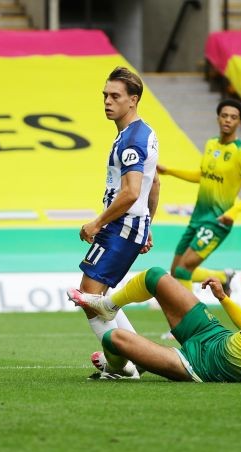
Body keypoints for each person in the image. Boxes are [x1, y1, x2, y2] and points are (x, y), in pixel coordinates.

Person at [68, 267, 241, 386]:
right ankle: (108, 305)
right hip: (212, 334)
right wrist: (223, 298)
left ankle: (118, 368)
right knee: (156, 276)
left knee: (114, 338)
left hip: (197, 365)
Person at [69, 66, 160, 379]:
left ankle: (124, 365)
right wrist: (148, 225)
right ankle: (139, 357)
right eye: (105, 95)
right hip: (133, 225)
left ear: (132, 100)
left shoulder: (131, 139)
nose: (107, 101)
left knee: (89, 296)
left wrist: (96, 223)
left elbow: (132, 192)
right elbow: (155, 183)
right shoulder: (141, 132)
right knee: (102, 300)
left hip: (120, 226)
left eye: (115, 96)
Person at [158, 98, 241, 296]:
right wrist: (169, 171)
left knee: (183, 270)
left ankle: (187, 325)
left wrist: (233, 212)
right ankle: (223, 277)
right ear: (218, 118)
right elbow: (202, 175)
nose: (228, 120)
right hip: (198, 216)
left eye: (233, 117)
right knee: (175, 271)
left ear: (239, 122)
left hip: (218, 220)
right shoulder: (211, 144)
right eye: (224, 116)